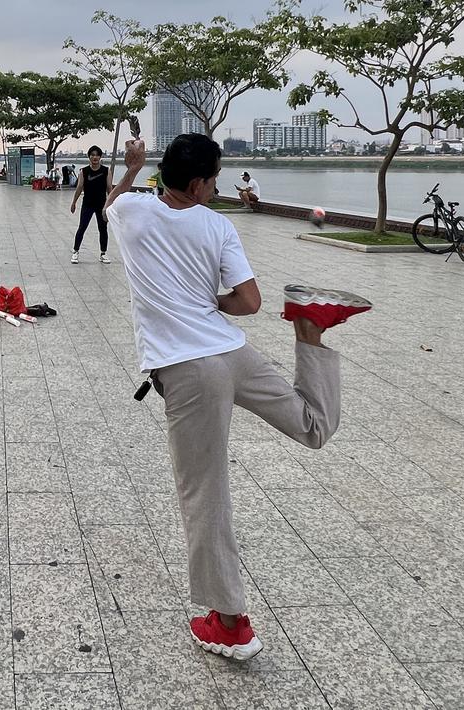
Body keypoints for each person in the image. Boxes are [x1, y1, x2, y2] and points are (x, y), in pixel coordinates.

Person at [105, 133, 371, 661]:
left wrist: (132, 168)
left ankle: (229, 623)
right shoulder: (218, 224)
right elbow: (249, 302)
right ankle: (311, 332)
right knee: (312, 427)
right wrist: (210, 298)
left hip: (188, 372)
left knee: (204, 493)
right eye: (214, 178)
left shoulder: (132, 212)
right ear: (201, 183)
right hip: (233, 352)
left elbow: (111, 202)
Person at [69, 146, 111, 264]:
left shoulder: (106, 170)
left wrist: (110, 204)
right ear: (89, 157)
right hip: (87, 204)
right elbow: (79, 187)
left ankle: (103, 253)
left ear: (100, 157)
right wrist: (74, 202)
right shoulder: (84, 171)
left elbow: (109, 189)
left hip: (101, 205)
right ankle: (75, 252)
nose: (95, 157)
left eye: (97, 155)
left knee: (103, 229)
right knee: (82, 227)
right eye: (92, 155)